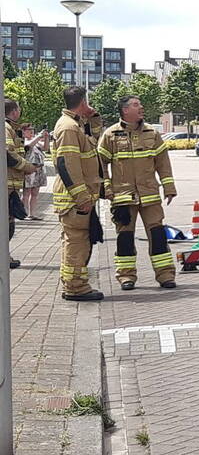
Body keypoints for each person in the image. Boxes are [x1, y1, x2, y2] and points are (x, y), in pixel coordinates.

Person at [98, 95, 177, 290]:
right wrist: (107, 188)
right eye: (136, 105)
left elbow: (163, 163)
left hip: (150, 195)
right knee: (125, 238)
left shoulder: (152, 133)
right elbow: (100, 164)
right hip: (123, 198)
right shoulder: (110, 134)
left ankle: (166, 275)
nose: (141, 107)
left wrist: (169, 187)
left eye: (140, 104)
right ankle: (126, 276)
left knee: (158, 235)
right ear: (125, 110)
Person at [53, 86, 104, 301]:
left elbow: (94, 140)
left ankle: (74, 284)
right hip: (75, 201)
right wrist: (82, 197)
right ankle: (75, 287)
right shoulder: (69, 128)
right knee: (77, 243)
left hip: (78, 199)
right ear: (83, 102)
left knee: (77, 242)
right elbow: (67, 164)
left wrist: (94, 119)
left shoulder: (76, 125)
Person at [5, 100, 40, 269]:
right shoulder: (5, 128)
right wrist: (27, 167)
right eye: (19, 108)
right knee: (6, 223)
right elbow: (7, 154)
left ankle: (5, 255)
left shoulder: (11, 128)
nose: (20, 111)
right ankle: (4, 257)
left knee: (9, 221)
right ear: (14, 111)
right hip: (5, 185)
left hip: (10, 185)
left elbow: (17, 152)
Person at [22, 124, 50, 220]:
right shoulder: (24, 141)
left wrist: (46, 137)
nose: (31, 131)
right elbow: (28, 146)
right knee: (27, 193)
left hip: (39, 170)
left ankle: (32, 214)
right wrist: (39, 136)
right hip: (29, 170)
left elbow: (46, 148)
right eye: (29, 129)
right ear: (24, 131)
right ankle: (24, 213)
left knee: (35, 193)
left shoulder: (36, 142)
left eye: (32, 129)